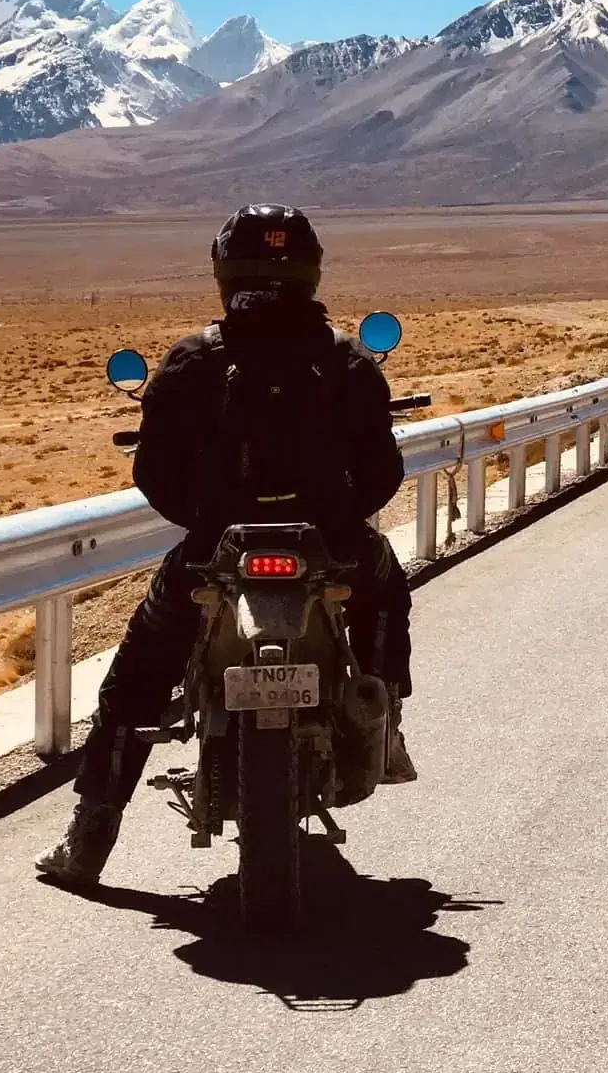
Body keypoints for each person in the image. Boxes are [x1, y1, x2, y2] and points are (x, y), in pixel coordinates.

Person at [37, 203, 417, 889]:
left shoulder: (192, 360)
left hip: (217, 554)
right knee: (386, 585)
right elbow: (383, 471)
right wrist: (336, 524)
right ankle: (380, 710)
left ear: (224, 271)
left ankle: (87, 843)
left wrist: (206, 525)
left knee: (137, 681)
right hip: (330, 547)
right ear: (310, 270)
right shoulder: (347, 361)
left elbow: (152, 471)